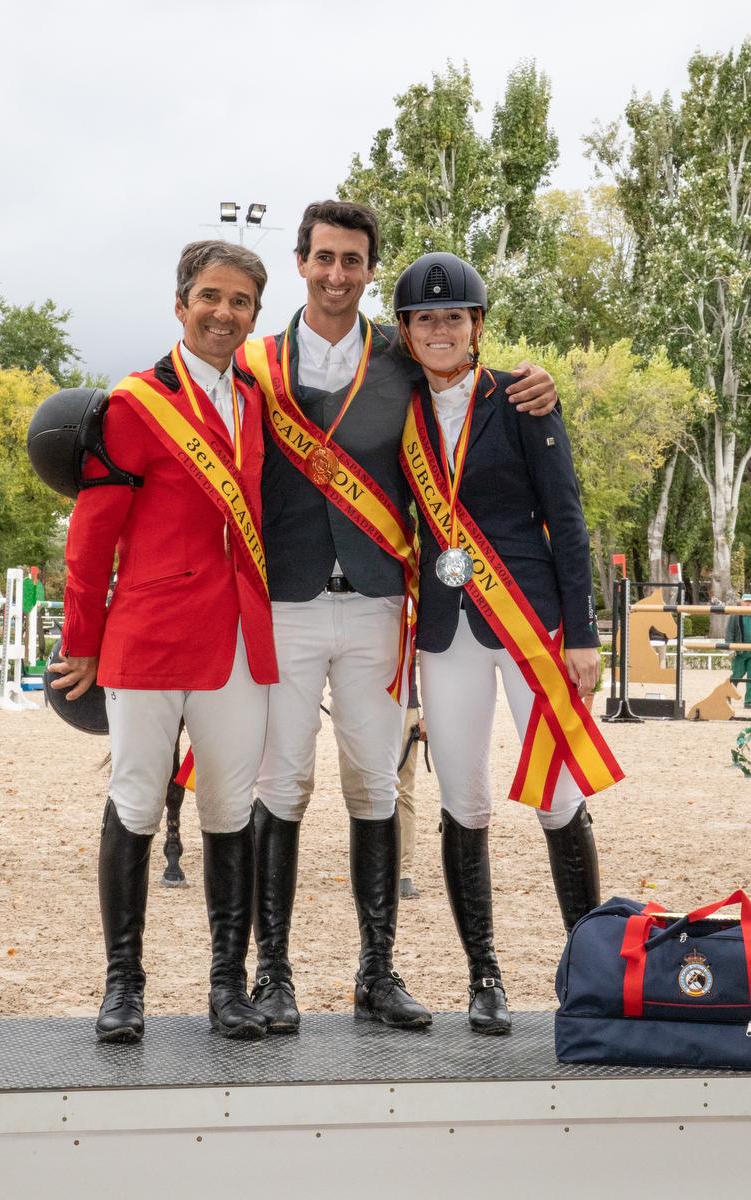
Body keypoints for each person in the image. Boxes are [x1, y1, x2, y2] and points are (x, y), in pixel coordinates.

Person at [238, 201, 561, 1034]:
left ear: (371, 270)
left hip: (382, 600)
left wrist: (539, 380)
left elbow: (471, 376)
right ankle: (272, 974)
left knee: (375, 784)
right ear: (302, 261)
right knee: (283, 784)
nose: (338, 274)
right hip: (290, 601)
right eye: (324, 259)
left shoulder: (401, 351)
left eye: (353, 261)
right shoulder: (256, 364)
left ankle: (375, 973)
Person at [49, 241, 277, 1043]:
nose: (223, 313)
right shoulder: (134, 405)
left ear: (255, 315)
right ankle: (123, 987)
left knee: (228, 809)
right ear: (181, 306)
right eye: (210, 297)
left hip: (239, 643)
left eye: (240, 301)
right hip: (147, 638)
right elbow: (92, 534)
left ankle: (227, 988)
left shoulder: (258, 399)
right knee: (137, 803)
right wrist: (82, 639)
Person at [394, 251, 623, 1035]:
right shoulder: (397, 405)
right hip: (447, 629)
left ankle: (588, 972)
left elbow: (569, 518)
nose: (440, 329)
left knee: (559, 798)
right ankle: (483, 974)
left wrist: (585, 633)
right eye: (425, 319)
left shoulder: (522, 400)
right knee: (464, 796)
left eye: (453, 316)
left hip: (530, 621)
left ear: (477, 325)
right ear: (407, 331)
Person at [337, 662, 427, 900]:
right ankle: (371, 865)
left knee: (403, 788)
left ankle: (403, 872)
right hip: (358, 700)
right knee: (360, 786)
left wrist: (428, 713)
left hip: (404, 702)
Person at [727, 594, 751, 708]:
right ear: (741, 602)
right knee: (737, 675)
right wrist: (730, 648)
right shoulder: (735, 615)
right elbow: (730, 632)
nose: (748, 604)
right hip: (740, 652)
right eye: (746, 601)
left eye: (750, 602)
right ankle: (726, 695)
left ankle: (748, 702)